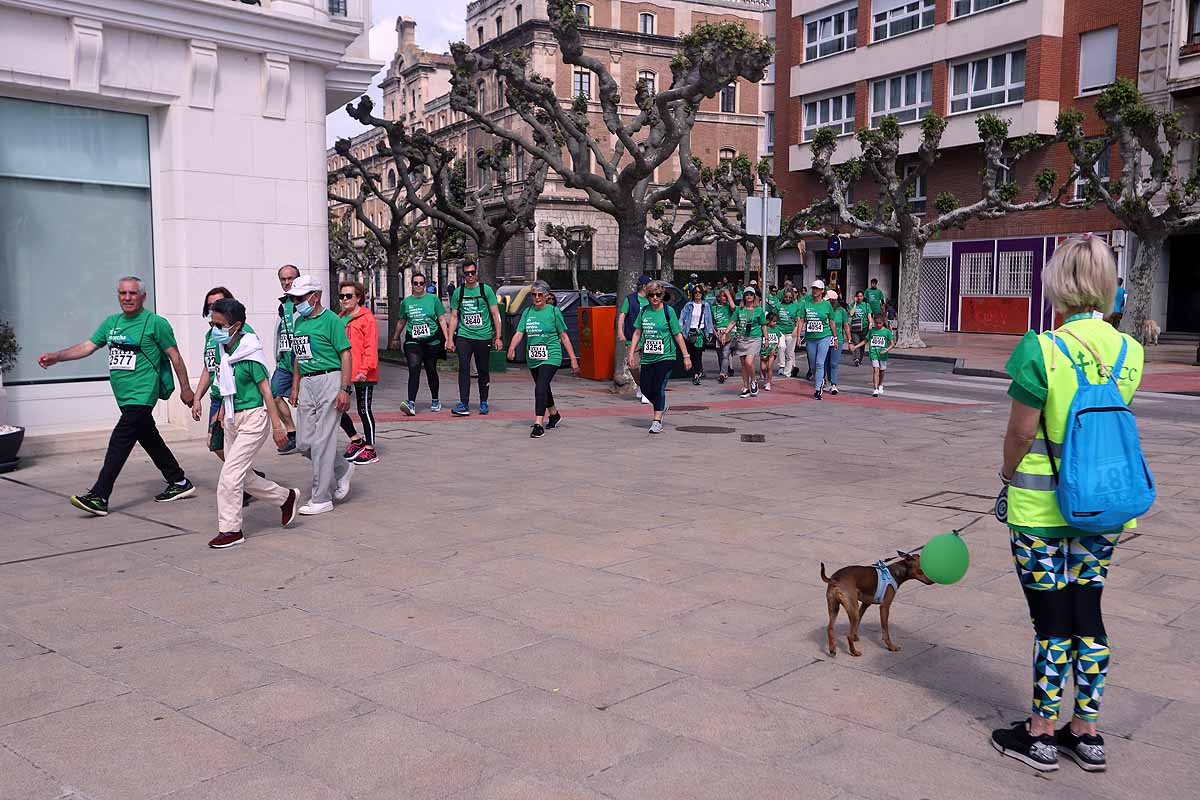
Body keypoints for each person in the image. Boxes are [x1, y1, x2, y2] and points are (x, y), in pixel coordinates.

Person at [990, 236, 1144, 774]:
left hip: (1040, 513)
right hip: (1103, 507)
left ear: (1058, 285)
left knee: (1050, 621)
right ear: (1106, 284)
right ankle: (1088, 731)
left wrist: (1007, 475)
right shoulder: (1131, 352)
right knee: (1089, 615)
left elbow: (1020, 433)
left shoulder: (1040, 349)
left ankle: (1040, 733)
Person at [38, 277, 196, 515]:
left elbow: (175, 356)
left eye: (132, 293)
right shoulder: (112, 323)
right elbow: (87, 347)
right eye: (123, 293)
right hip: (123, 396)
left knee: (119, 441)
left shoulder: (155, 323)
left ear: (143, 296)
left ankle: (100, 495)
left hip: (143, 394)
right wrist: (57, 356)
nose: (127, 298)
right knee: (148, 436)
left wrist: (186, 389)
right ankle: (179, 481)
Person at [193, 298, 298, 549]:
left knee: (229, 476)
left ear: (236, 325)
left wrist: (277, 426)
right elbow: (220, 382)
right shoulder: (222, 350)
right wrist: (218, 414)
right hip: (230, 416)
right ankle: (285, 498)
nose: (214, 329)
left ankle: (230, 530)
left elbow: (266, 391)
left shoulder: (249, 352)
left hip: (254, 417)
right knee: (245, 476)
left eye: (219, 325)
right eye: (212, 323)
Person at [286, 276, 354, 515]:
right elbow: (298, 355)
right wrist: (295, 385)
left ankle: (321, 497)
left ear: (315, 296)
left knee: (323, 441)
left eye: (300, 298)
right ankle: (342, 467)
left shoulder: (332, 320)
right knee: (304, 443)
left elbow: (346, 354)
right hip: (307, 382)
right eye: (294, 298)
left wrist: (344, 389)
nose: (296, 302)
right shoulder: (299, 322)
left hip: (330, 379)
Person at [508, 280, 579, 438]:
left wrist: (573, 359)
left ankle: (538, 424)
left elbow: (564, 336)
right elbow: (520, 333)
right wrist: (512, 347)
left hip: (551, 356)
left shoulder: (554, 312)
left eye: (540, 295)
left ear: (547, 296)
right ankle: (554, 414)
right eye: (534, 295)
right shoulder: (527, 312)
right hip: (533, 357)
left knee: (540, 387)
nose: (537, 297)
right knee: (544, 388)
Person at [627, 280, 690, 434]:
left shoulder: (669, 312)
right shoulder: (644, 311)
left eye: (658, 295)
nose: (654, 298)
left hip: (666, 356)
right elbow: (637, 333)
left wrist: (686, 356)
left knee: (659, 386)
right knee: (646, 389)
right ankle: (661, 406)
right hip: (648, 356)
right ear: (647, 296)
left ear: (662, 295)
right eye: (651, 295)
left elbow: (677, 334)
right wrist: (631, 353)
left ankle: (656, 420)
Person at [447, 259, 502, 416]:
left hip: (483, 336)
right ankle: (464, 403)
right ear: (463, 274)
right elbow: (454, 316)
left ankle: (483, 401)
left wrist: (498, 337)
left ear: (476, 272)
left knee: (483, 369)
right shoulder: (459, 292)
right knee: (464, 368)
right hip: (464, 336)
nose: (470, 276)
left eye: (472, 272)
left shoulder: (486, 290)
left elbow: (495, 314)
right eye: (467, 273)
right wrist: (450, 339)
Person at [393, 272, 449, 416]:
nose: (418, 286)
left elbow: (442, 319)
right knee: (414, 367)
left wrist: (448, 338)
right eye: (415, 283)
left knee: (431, 369)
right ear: (411, 285)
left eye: (421, 283)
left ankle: (435, 399)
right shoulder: (406, 302)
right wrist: (395, 337)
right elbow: (401, 321)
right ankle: (411, 402)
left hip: (432, 341)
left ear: (425, 285)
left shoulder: (433, 299)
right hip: (413, 340)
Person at [336, 281, 380, 465]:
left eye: (349, 296)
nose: (345, 300)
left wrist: (364, 369)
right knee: (336, 407)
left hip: (364, 373)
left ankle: (370, 449)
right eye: (342, 296)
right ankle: (355, 439)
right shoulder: (340, 318)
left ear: (359, 297)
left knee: (364, 410)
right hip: (345, 371)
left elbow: (371, 346)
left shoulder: (367, 318)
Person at [270, 265, 300, 454]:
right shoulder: (283, 304)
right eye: (283, 279)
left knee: (308, 402)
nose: (287, 282)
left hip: (304, 363)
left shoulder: (305, 301)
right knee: (273, 393)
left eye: (290, 278)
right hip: (284, 362)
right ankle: (292, 433)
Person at [723, 287, 767, 399]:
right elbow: (733, 322)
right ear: (743, 297)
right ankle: (745, 387)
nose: (749, 296)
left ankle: (753, 381)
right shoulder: (739, 309)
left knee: (749, 361)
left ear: (754, 297)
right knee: (743, 365)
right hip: (741, 339)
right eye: (746, 294)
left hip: (754, 339)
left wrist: (766, 338)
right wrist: (725, 333)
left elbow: (763, 325)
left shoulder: (758, 310)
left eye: (751, 295)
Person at [618, 275, 653, 405]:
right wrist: (620, 331)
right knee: (633, 365)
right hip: (632, 337)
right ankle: (639, 384)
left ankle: (646, 391)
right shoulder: (630, 299)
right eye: (649, 285)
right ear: (644, 286)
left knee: (647, 366)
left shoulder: (652, 300)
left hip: (649, 337)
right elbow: (622, 316)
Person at [803, 279, 836, 400]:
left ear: (822, 291)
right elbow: (801, 319)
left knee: (819, 362)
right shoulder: (806, 303)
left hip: (824, 336)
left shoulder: (827, 304)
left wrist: (835, 337)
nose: (815, 291)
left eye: (817, 289)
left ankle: (817, 390)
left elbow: (832, 321)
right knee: (813, 365)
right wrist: (798, 335)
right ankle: (820, 380)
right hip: (810, 337)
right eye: (813, 288)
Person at [679, 287, 713, 385]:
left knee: (698, 355)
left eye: (699, 292)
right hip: (690, 332)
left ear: (702, 294)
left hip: (700, 333)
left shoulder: (705, 305)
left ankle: (696, 374)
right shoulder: (688, 305)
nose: (697, 294)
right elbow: (682, 318)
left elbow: (709, 320)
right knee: (691, 354)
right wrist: (680, 330)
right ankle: (696, 372)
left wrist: (709, 332)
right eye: (695, 292)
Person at [823, 290, 850, 395]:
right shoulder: (824, 310)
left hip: (837, 339)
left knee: (834, 362)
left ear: (833, 300)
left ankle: (834, 384)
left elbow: (846, 326)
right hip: (824, 338)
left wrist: (850, 340)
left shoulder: (841, 311)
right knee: (825, 362)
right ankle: (828, 381)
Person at [775, 286, 803, 379]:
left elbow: (798, 320)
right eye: (786, 297)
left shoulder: (796, 306)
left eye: (790, 297)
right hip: (780, 330)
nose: (787, 299)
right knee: (781, 347)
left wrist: (796, 329)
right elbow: (774, 319)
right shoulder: (778, 306)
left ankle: (787, 373)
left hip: (791, 332)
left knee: (790, 353)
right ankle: (781, 365)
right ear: (783, 296)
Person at [711, 288, 737, 383]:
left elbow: (734, 307)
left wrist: (728, 294)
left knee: (726, 353)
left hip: (728, 332)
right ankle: (723, 372)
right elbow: (712, 322)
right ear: (719, 297)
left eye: (726, 296)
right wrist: (715, 332)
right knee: (720, 355)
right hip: (718, 332)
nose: (725, 298)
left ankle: (722, 373)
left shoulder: (729, 307)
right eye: (723, 296)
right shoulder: (714, 308)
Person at [866, 314, 895, 396]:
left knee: (882, 371)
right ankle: (875, 389)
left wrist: (886, 350)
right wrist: (856, 346)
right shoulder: (872, 331)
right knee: (875, 370)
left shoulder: (887, 332)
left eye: (880, 323)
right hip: (873, 353)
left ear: (883, 323)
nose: (878, 325)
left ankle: (880, 384)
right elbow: (866, 340)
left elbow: (892, 344)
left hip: (883, 354)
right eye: (876, 323)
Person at [849, 290, 871, 367]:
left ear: (863, 297)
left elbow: (869, 315)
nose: (859, 298)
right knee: (856, 342)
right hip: (855, 327)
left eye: (861, 296)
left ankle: (860, 359)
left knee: (862, 344)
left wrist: (870, 323)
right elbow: (851, 314)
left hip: (864, 327)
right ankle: (856, 359)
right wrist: (855, 303)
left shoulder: (866, 305)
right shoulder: (852, 305)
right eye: (858, 296)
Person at [760, 311, 781, 392]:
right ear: (768, 320)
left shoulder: (776, 329)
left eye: (776, 321)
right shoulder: (764, 329)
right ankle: (765, 378)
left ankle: (768, 383)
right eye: (773, 321)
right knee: (763, 368)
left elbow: (778, 340)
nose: (775, 323)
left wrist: (774, 348)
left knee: (769, 367)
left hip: (773, 350)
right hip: (764, 350)